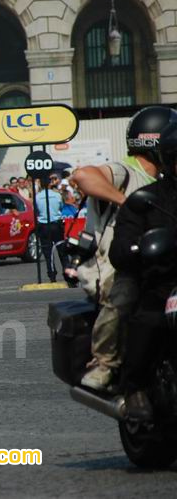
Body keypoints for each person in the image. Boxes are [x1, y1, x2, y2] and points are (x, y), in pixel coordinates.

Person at [72, 106, 164, 391]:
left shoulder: (167, 182)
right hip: (119, 266)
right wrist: (126, 202)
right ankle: (105, 363)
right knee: (125, 295)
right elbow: (83, 175)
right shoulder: (125, 171)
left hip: (162, 262)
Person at [109, 109, 177, 421]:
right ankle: (134, 387)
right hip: (165, 283)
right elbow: (120, 249)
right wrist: (142, 249)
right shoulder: (146, 199)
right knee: (149, 320)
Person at [35, 175, 64, 283]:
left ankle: (52, 275)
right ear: (49, 183)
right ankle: (67, 272)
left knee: (48, 253)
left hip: (44, 225)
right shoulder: (57, 195)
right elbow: (61, 207)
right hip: (56, 224)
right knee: (62, 251)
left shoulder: (37, 197)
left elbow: (36, 209)